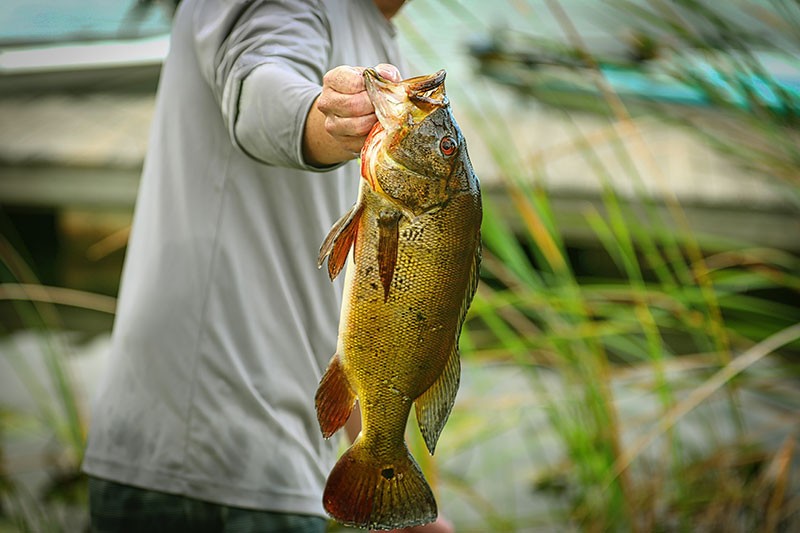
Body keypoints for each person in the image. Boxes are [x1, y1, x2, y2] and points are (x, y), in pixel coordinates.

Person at [82, 0, 454, 531]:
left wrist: (394, 490)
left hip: (280, 466)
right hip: (207, 465)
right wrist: (323, 124)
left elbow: (367, 313)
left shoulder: (377, 36)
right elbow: (260, 86)